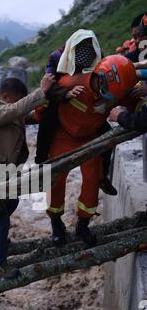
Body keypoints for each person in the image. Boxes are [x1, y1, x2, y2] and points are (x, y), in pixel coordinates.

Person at [0, 74, 56, 280]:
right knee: (1, 221)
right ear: (6, 96)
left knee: (12, 202)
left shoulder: (12, 114)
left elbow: (27, 115)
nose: (21, 106)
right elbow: (16, 110)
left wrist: (48, 104)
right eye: (18, 99)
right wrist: (40, 92)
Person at [47, 55, 140, 247]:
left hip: (90, 138)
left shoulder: (117, 92)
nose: (103, 95)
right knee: (55, 180)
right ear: (97, 74)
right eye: (102, 89)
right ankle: (56, 223)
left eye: (110, 95)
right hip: (63, 136)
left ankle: (83, 224)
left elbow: (134, 103)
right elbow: (46, 104)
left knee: (92, 179)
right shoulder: (70, 83)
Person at [37, 29, 118, 197]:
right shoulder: (57, 57)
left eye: (89, 46)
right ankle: (41, 162)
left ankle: (103, 177)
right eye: (81, 47)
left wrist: (107, 102)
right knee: (47, 121)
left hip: (90, 104)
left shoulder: (99, 55)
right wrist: (65, 93)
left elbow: (109, 82)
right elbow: (48, 88)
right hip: (62, 101)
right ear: (71, 48)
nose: (86, 52)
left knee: (109, 136)